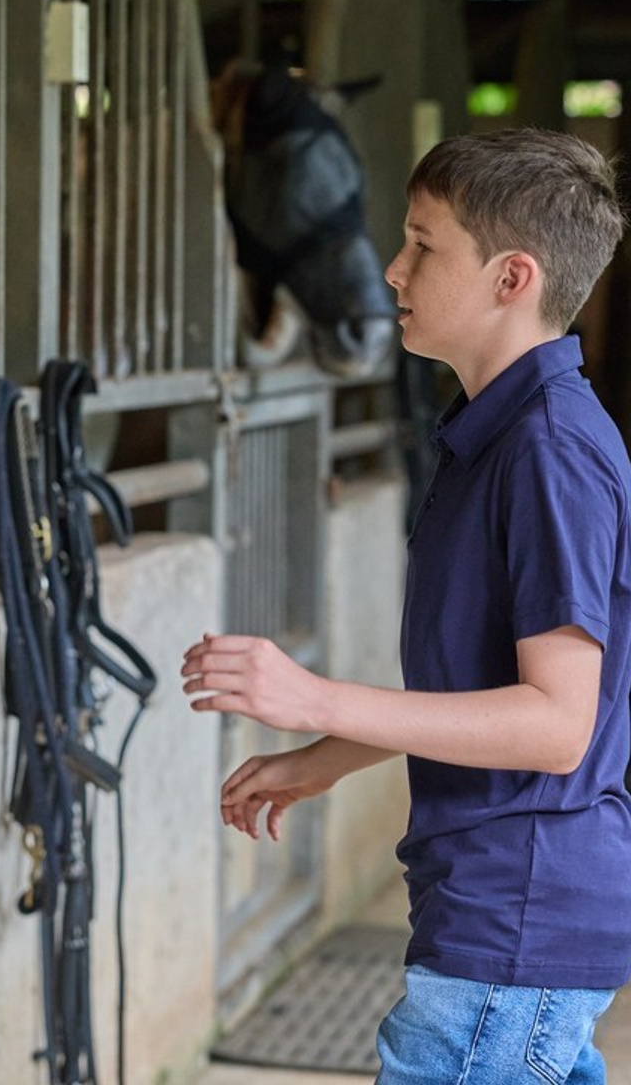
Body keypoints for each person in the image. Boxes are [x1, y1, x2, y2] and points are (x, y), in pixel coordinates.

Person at [181, 128, 631, 1084]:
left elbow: (556, 724)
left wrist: (316, 698)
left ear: (514, 277)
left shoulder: (549, 450)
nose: (393, 269)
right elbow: (481, 689)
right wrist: (328, 758)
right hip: (502, 918)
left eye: (425, 246)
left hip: (514, 920)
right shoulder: (498, 432)